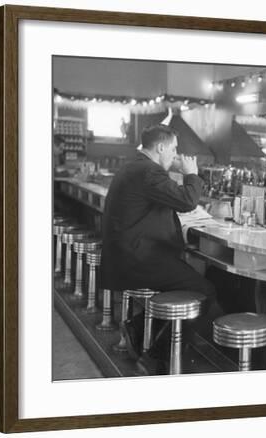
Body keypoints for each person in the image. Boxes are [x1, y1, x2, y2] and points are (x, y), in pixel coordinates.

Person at [100, 124, 217, 373]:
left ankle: (137, 328)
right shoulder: (149, 172)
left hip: (125, 253)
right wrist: (191, 174)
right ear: (161, 147)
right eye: (173, 149)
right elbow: (187, 201)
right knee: (204, 290)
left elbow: (166, 199)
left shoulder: (135, 166)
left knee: (190, 280)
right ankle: (155, 354)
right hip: (137, 258)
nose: (175, 154)